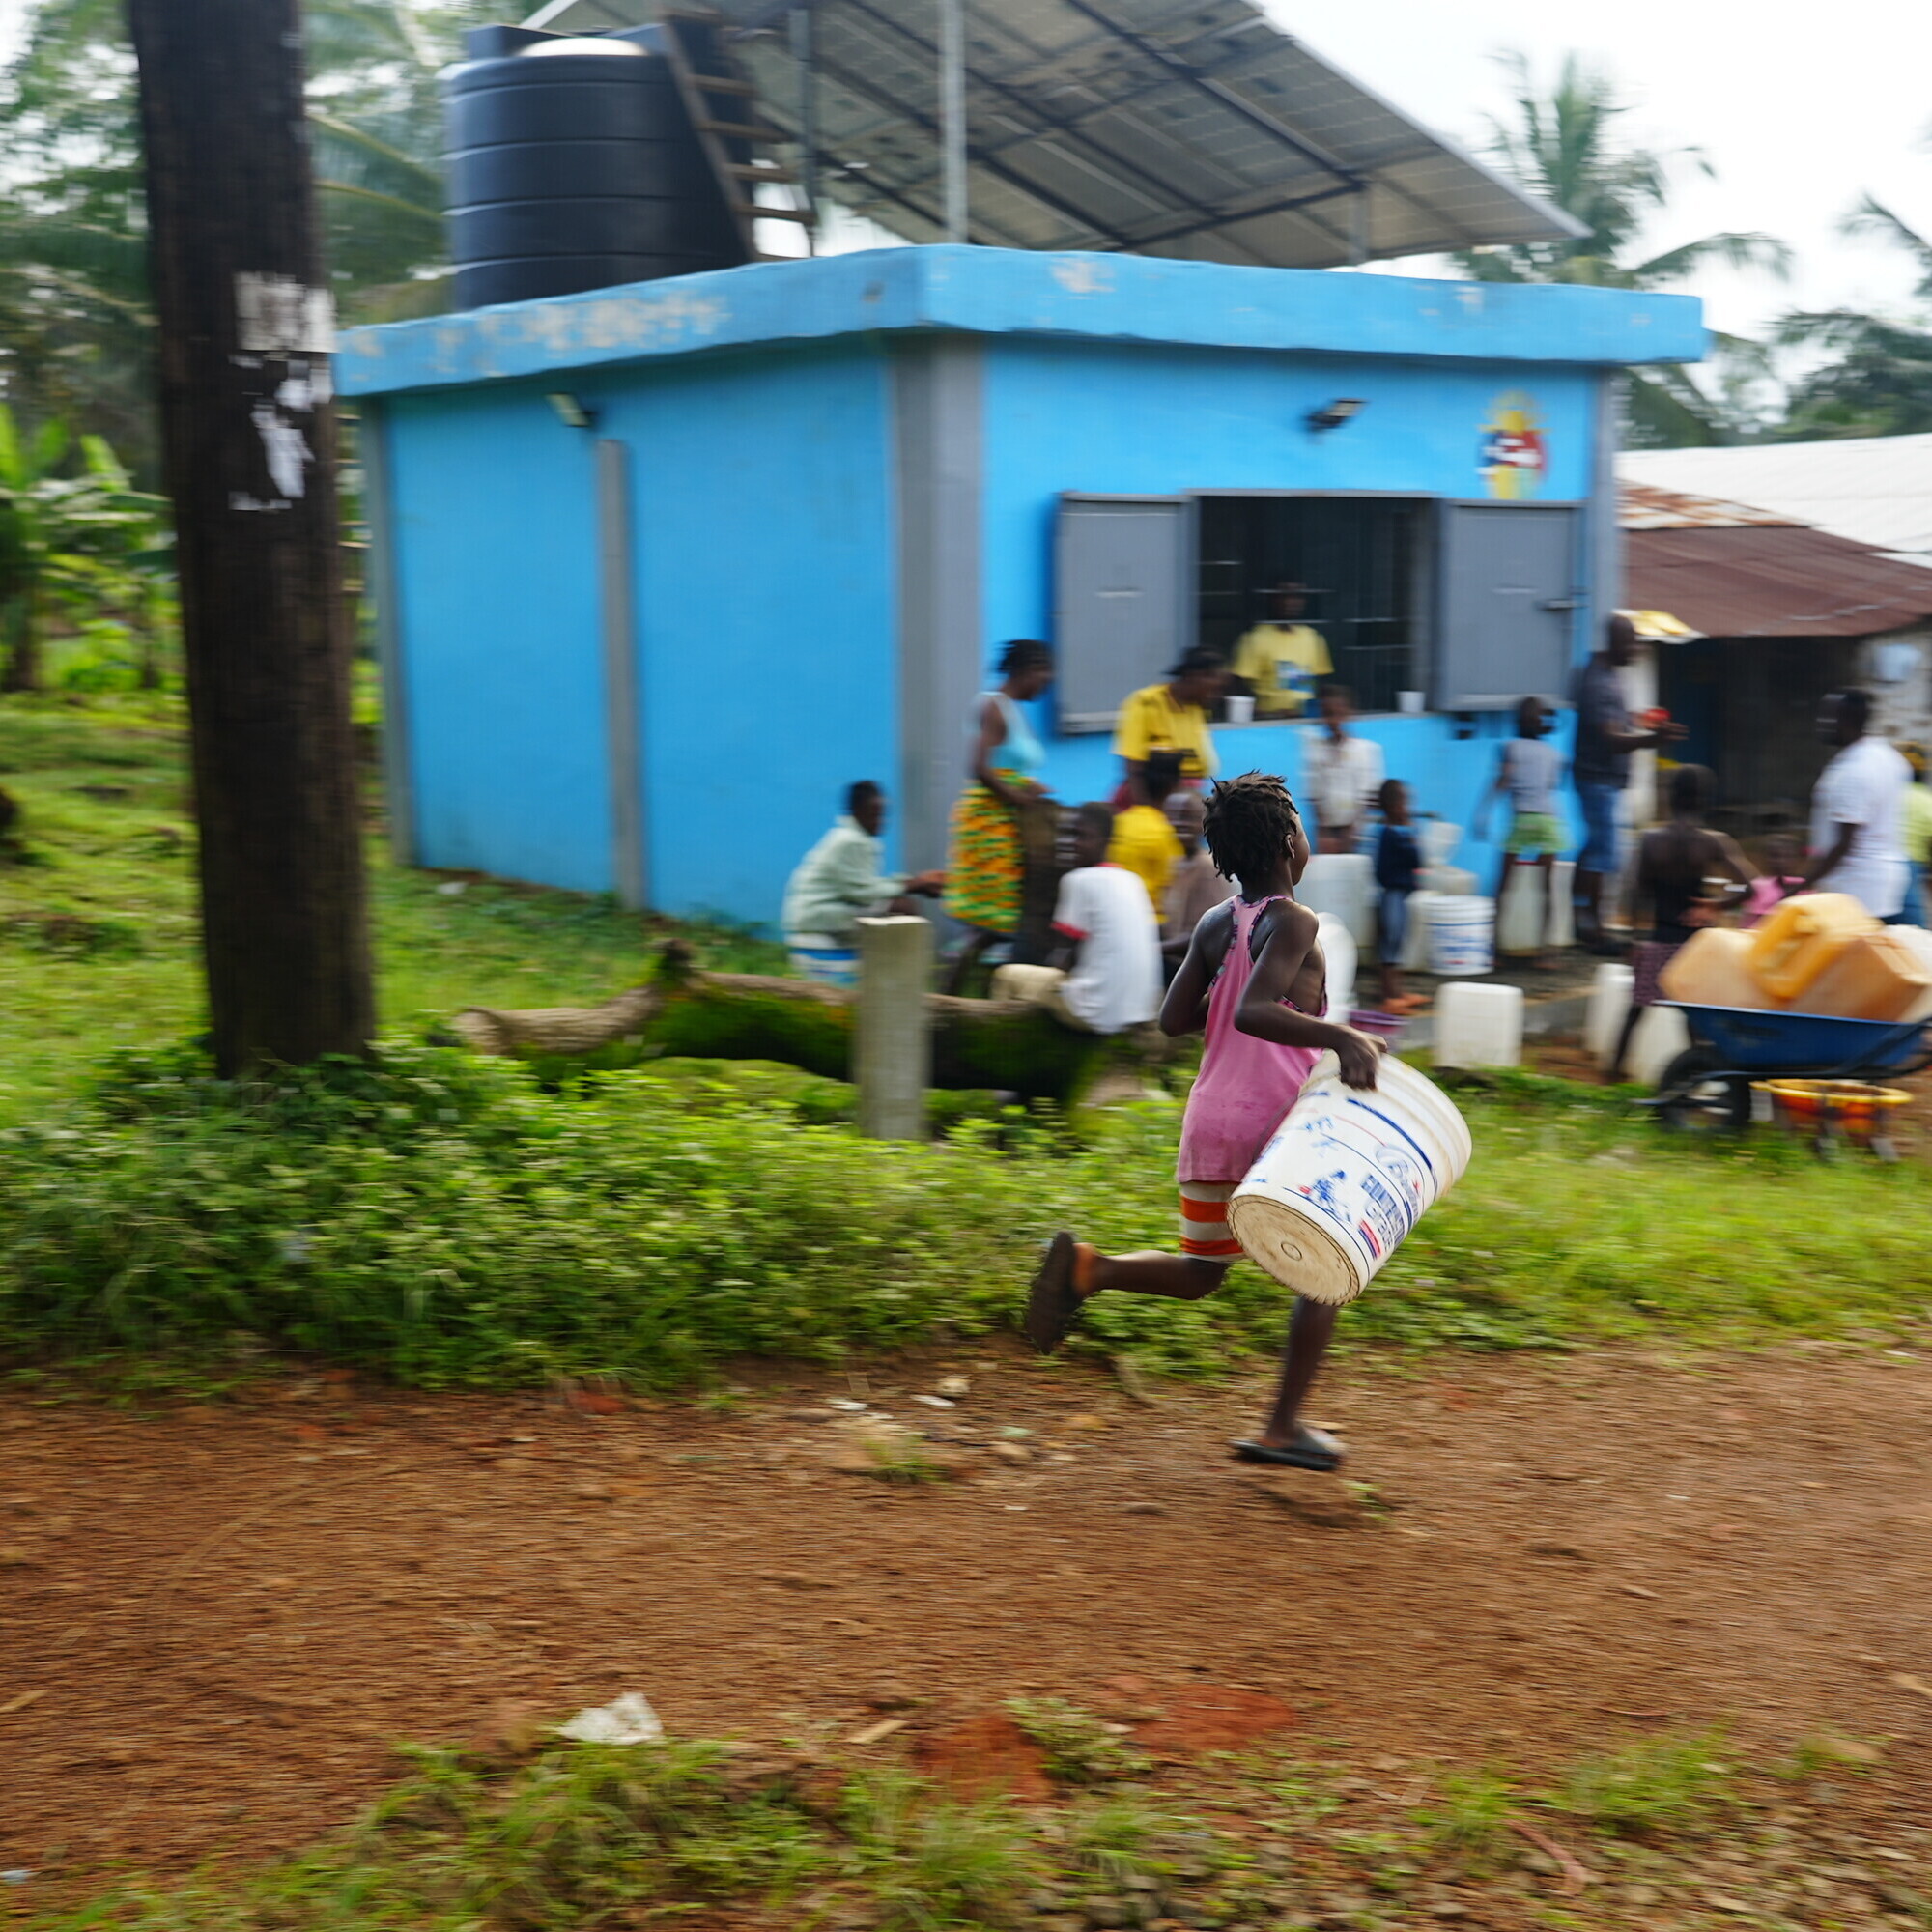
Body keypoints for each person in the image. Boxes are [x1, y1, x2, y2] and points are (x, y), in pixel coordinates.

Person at [1023, 773, 1386, 1472]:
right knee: (1326, 1269)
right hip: (1271, 1128)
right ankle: (1282, 1428)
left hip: (1209, 1120)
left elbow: (1173, 1019)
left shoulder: (1219, 923)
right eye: (1303, 828)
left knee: (1201, 1272)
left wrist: (1228, 986)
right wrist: (1341, 1037)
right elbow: (1253, 1010)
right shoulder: (1295, 921)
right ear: (1289, 842)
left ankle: (1090, 1272)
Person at [1605, 765, 1755, 1080]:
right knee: (1695, 1017)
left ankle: (1614, 1072)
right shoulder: (1712, 842)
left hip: (1659, 938)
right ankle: (1698, 1079)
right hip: (1696, 946)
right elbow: (1751, 886)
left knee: (1635, 1012)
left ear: (1670, 797)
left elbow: (1635, 895)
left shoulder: (1651, 841)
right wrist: (1715, 905)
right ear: (1703, 800)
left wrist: (1633, 940)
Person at [990, 802, 1162, 1034]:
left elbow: (1064, 956)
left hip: (1095, 1012)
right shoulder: (1132, 880)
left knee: (1006, 976)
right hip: (1140, 1009)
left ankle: (1002, 1053)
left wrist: (1046, 984)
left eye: (1080, 836)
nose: (1069, 843)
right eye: (1066, 834)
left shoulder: (1078, 880)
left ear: (1104, 842)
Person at [943, 639, 1055, 992]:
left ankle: (967, 992)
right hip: (991, 825)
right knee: (988, 922)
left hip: (1005, 820)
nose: (1046, 682)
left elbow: (1005, 766)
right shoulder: (994, 706)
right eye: (1044, 674)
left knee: (998, 921)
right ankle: (948, 993)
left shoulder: (1010, 709)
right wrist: (1021, 799)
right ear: (1027, 670)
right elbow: (979, 767)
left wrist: (1030, 788)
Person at [1572, 614, 1687, 954]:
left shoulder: (1608, 676)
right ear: (1615, 643)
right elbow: (1609, 737)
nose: (1637, 651)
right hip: (1597, 778)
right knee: (1605, 854)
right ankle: (1594, 930)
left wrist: (1642, 720)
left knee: (1595, 849)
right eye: (1632, 643)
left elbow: (1613, 721)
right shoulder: (1599, 683)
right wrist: (1651, 739)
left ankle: (1584, 920)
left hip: (1601, 778)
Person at [782, 781, 943, 982]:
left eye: (883, 815)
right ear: (857, 811)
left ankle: (895, 975)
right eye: (874, 815)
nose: (881, 821)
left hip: (818, 915)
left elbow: (865, 885)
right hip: (818, 918)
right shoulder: (851, 841)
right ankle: (903, 979)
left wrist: (916, 883)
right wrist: (916, 884)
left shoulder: (851, 838)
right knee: (902, 908)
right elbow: (863, 893)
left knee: (898, 906)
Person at [1791, 689, 1912, 921]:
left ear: (1846, 720)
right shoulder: (1886, 756)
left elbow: (1843, 844)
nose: (1820, 723)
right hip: (1883, 880)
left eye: (1827, 716)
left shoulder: (1855, 770)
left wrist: (1801, 887)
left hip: (1854, 887)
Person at [1475, 696, 1568, 963]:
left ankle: (1492, 948)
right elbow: (1551, 785)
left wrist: (1483, 814)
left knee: (1503, 885)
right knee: (1547, 887)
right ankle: (1546, 953)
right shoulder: (1554, 754)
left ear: (1515, 722)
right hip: (1550, 822)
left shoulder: (1509, 748)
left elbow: (1503, 781)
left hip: (1522, 819)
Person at [1113, 647, 1225, 797]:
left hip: (1191, 792)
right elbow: (1134, 767)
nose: (1216, 695)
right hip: (1153, 794)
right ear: (1194, 676)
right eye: (1213, 689)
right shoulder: (1145, 702)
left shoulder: (1196, 707)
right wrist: (1146, 811)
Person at [1231, 581, 1332, 719]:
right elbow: (1239, 687)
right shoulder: (1254, 638)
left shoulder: (1313, 638)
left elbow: (1320, 683)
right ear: (1272, 599)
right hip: (1269, 722)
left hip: (1306, 721)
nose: (1290, 602)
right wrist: (1266, 715)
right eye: (1284, 595)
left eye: (1297, 596)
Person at [1303, 684, 1384, 854]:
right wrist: (1324, 833)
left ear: (1349, 714)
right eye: (1327, 714)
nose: (1333, 721)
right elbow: (1314, 795)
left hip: (1356, 834)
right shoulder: (1315, 751)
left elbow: (1369, 798)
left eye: (1338, 714)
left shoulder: (1366, 751)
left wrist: (1353, 832)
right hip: (1327, 834)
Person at [1107, 751, 1186, 915]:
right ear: (1174, 787)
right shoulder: (1166, 834)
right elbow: (1173, 888)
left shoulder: (1118, 822)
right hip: (1151, 922)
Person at [1160, 789, 1232, 969]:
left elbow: (1205, 932)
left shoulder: (1207, 866)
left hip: (1197, 970)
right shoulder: (1177, 864)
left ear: (1202, 822)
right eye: (1173, 816)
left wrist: (1152, 949)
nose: (1178, 823)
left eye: (1186, 817)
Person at [1373, 779, 1426, 1014]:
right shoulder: (1390, 834)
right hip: (1391, 896)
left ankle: (1398, 993)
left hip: (1401, 895)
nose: (1407, 808)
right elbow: (1413, 860)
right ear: (1394, 806)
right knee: (1390, 945)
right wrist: (1412, 837)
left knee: (1398, 944)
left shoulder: (1398, 833)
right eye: (1404, 802)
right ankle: (1389, 996)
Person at [1896, 742, 1931, 926]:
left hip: (1876, 865)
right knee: (1914, 938)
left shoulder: (1889, 795)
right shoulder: (1927, 801)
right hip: (1910, 871)